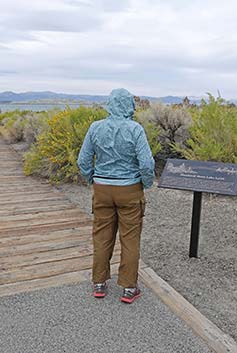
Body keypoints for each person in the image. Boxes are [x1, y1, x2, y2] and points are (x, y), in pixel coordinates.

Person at [77, 88, 155, 304]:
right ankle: (129, 288)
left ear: (110, 104)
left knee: (101, 236)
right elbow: (147, 164)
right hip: (129, 189)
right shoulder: (135, 129)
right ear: (129, 105)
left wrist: (92, 179)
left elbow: (83, 161)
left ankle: (99, 283)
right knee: (130, 239)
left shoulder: (95, 128)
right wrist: (145, 183)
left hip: (102, 189)